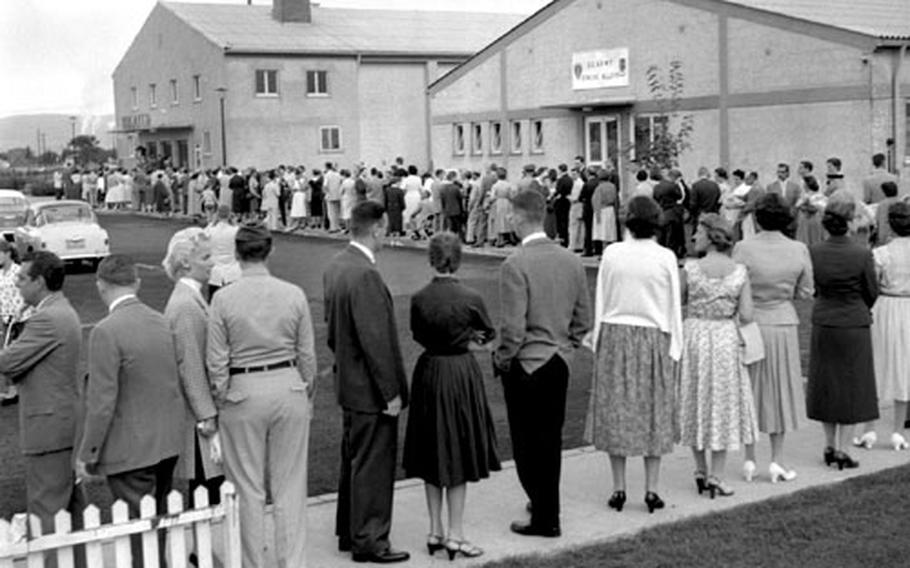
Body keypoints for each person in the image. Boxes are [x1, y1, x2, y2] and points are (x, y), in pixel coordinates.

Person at [207, 224, 316, 568]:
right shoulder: (294, 293)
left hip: (242, 392)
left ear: (238, 255)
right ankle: (290, 562)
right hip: (288, 386)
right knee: (289, 485)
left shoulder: (223, 298)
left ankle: (252, 562)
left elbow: (216, 360)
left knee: (246, 487)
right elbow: (307, 354)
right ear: (269, 252)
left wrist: (223, 395)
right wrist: (304, 388)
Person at [495, 190, 592, 536]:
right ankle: (544, 506)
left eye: (511, 215)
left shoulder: (515, 263)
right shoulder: (570, 260)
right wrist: (567, 347)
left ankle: (545, 515)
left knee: (525, 441)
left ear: (521, 218)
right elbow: (583, 318)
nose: (509, 221)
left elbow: (513, 327)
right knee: (549, 439)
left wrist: (503, 358)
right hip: (559, 360)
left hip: (527, 362)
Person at [77, 255, 183, 568]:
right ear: (136, 282)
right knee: (156, 521)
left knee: (138, 528)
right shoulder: (160, 320)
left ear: (100, 285)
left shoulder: (105, 331)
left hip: (131, 450)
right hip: (166, 443)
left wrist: (88, 453)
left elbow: (102, 401)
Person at [402, 233, 500, 560]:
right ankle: (456, 534)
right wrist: (468, 341)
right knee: (457, 450)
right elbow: (488, 334)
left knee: (432, 450)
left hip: (429, 371)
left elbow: (418, 334)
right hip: (459, 373)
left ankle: (435, 530)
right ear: (458, 259)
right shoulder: (470, 296)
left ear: (432, 258)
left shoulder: (419, 298)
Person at [323, 201, 410, 564]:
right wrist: (390, 392)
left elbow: (333, 331)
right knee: (373, 465)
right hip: (370, 389)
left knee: (355, 460)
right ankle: (371, 539)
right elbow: (377, 342)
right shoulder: (365, 274)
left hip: (349, 382)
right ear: (376, 228)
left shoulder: (337, 266)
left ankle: (351, 529)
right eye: (385, 228)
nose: (386, 234)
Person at [585, 195, 682, 514]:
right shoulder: (665, 256)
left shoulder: (612, 253)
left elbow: (602, 296)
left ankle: (619, 488)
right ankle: (651, 489)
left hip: (615, 334)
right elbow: (673, 306)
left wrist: (598, 339)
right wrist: (675, 347)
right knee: (653, 411)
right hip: (653, 336)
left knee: (617, 410)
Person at [0, 251, 84, 541]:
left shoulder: (46, 319)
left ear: (40, 282)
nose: (17, 284)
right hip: (59, 422)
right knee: (68, 509)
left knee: (46, 512)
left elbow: (8, 363)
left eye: (22, 278)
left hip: (47, 428)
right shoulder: (60, 311)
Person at [732, 193, 813, 482]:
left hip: (752, 322)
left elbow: (734, 285)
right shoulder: (798, 249)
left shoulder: (743, 248)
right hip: (781, 321)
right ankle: (777, 458)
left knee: (751, 388)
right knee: (780, 389)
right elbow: (806, 290)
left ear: (757, 217)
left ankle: (750, 457)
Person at [679, 214, 759, 498]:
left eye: (699, 232)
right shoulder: (739, 271)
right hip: (724, 336)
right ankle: (717, 474)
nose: (694, 237)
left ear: (712, 235)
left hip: (696, 335)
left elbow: (679, 299)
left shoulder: (691, 268)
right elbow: (748, 314)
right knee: (722, 401)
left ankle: (700, 469)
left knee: (696, 397)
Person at [807, 200, 879, 470]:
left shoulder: (815, 251)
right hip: (852, 320)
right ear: (849, 223)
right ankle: (843, 449)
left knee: (827, 383)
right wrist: (858, 307)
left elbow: (814, 285)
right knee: (851, 385)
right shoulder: (861, 253)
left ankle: (829, 444)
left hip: (825, 318)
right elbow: (871, 290)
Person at [161, 229, 222, 506]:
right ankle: (203, 548)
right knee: (207, 486)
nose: (212, 263)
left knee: (208, 486)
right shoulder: (186, 304)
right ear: (186, 262)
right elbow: (191, 364)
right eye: (206, 257)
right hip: (198, 419)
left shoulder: (190, 298)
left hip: (197, 413)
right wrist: (207, 415)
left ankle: (205, 547)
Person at [854, 201, 910, 451]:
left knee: (877, 363)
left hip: (886, 305)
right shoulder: (880, 253)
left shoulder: (881, 253)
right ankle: (898, 430)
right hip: (905, 305)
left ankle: (870, 429)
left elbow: (871, 287)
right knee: (904, 366)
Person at [0, 241, 25, 405]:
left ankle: (17, 390)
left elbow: (27, 293)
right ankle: (10, 390)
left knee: (19, 355)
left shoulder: (19, 271)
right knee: (6, 353)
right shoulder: (1, 273)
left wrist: (20, 311)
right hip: (5, 318)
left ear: (7, 253)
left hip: (21, 319)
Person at [205, 205, 241, 297]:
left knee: (212, 298)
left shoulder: (210, 230)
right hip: (232, 268)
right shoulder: (236, 230)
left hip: (215, 268)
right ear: (230, 215)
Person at [795, 176, 827, 248]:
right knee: (815, 240)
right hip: (815, 221)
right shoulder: (821, 196)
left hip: (809, 221)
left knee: (806, 240)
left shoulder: (806, 196)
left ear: (806, 185)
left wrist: (804, 207)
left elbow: (797, 205)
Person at [873, 181, 902, 246]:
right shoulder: (901, 202)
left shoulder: (883, 204)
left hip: (885, 237)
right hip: (899, 235)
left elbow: (878, 220)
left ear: (884, 193)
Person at [490, 168, 513, 247]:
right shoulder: (508, 185)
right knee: (506, 220)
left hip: (498, 203)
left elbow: (492, 197)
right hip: (506, 203)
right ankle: (509, 238)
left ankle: (499, 239)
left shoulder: (495, 185)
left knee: (498, 221)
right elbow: (511, 196)